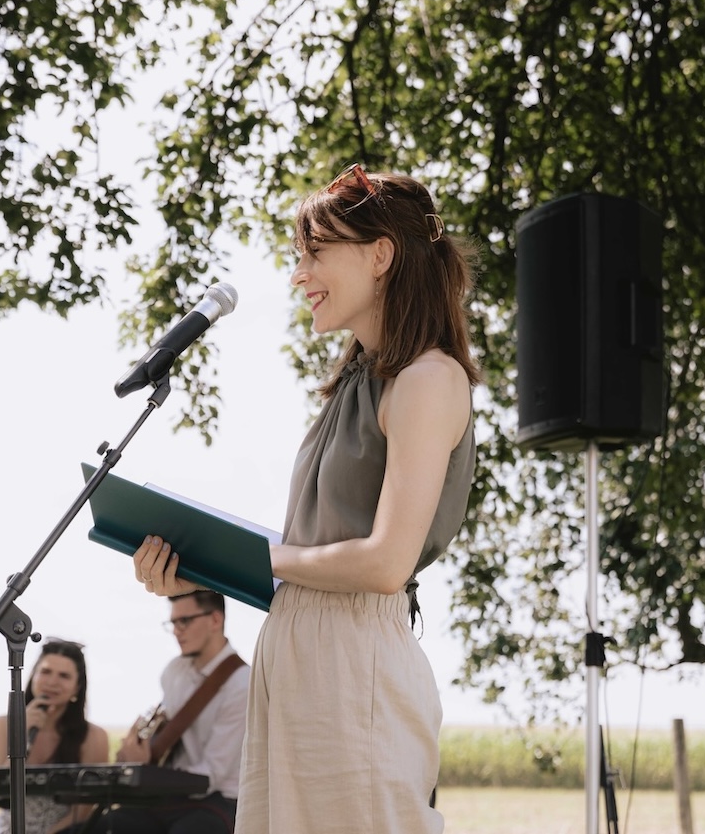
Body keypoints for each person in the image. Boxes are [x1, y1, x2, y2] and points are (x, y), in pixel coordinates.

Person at [133, 164, 481, 834]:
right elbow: (307, 554)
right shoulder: (355, 382)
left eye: (315, 253)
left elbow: (384, 563)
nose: (299, 274)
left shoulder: (428, 379)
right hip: (296, 654)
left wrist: (261, 555)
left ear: (380, 255)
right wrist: (196, 567)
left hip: (355, 664)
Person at [70, 590, 249, 834]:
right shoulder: (175, 671)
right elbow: (167, 736)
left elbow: (212, 775)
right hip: (168, 797)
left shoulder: (242, 684)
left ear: (215, 620)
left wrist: (149, 774)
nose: (177, 630)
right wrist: (140, 752)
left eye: (184, 621)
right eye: (173, 623)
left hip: (218, 802)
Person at [0, 638, 109, 834]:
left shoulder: (93, 736)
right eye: (46, 672)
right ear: (33, 676)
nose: (52, 682)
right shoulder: (1, 726)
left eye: (64, 676)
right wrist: (22, 735)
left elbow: (85, 808)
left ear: (77, 688)